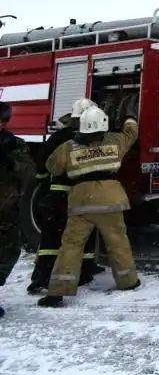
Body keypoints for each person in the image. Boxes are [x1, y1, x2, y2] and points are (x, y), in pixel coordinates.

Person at [38, 106, 141, 308]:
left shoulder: (68, 147)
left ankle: (58, 291)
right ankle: (128, 281)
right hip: (111, 201)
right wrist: (129, 118)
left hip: (81, 202)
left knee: (71, 245)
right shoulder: (115, 141)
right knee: (118, 242)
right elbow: (131, 133)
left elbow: (52, 166)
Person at [27, 99, 104, 294]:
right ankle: (85, 272)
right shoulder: (94, 138)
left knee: (51, 236)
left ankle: (41, 277)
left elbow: (42, 160)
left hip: (58, 195)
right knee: (84, 231)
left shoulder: (60, 137)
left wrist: (44, 182)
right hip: (82, 195)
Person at [0, 101, 36, 317]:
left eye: (5, 121)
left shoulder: (13, 144)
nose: (3, 125)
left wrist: (10, 162)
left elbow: (30, 171)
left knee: (9, 253)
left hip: (6, 210)